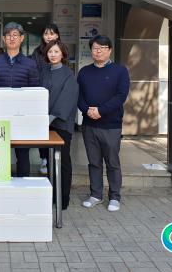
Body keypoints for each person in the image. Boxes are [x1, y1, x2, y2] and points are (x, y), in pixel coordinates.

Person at [77, 35, 130, 212]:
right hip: (89, 125)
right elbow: (78, 96)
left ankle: (114, 196)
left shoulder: (120, 71)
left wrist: (100, 111)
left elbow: (120, 96)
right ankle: (96, 195)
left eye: (102, 48)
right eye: (95, 48)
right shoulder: (84, 72)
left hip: (111, 125)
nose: (98, 51)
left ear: (109, 50)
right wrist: (87, 110)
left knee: (112, 162)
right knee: (94, 162)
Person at [0, 22, 40, 177]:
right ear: (4, 39)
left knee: (23, 154)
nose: (12, 38)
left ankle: (23, 186)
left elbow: (34, 93)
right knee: (0, 153)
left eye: (15, 35)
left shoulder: (30, 64)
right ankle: (0, 187)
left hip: (22, 117)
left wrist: (31, 117)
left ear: (22, 38)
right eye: (8, 35)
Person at [40, 40, 79, 210]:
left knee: (62, 161)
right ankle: (52, 195)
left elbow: (67, 99)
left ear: (62, 54)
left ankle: (63, 198)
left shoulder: (68, 74)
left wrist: (50, 117)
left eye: (56, 51)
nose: (53, 54)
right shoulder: (44, 71)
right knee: (50, 161)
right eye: (50, 51)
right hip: (45, 123)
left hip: (61, 124)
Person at [31, 23, 61, 174]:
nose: (49, 36)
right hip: (41, 94)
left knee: (56, 130)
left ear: (57, 35)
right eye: (46, 33)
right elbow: (34, 72)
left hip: (57, 94)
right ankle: (43, 158)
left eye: (52, 33)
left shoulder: (61, 50)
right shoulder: (37, 52)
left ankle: (55, 160)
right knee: (42, 129)